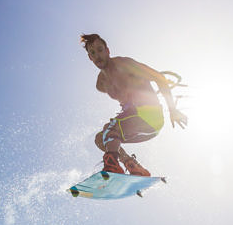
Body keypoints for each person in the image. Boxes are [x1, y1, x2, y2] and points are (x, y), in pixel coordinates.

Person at [80, 33, 187, 176]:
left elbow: (159, 78)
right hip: (141, 126)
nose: (97, 55)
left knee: (111, 129)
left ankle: (112, 165)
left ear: (107, 51)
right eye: (92, 53)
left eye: (100, 50)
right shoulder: (101, 84)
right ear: (89, 57)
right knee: (101, 139)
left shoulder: (124, 64)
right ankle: (132, 166)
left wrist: (173, 110)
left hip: (150, 115)